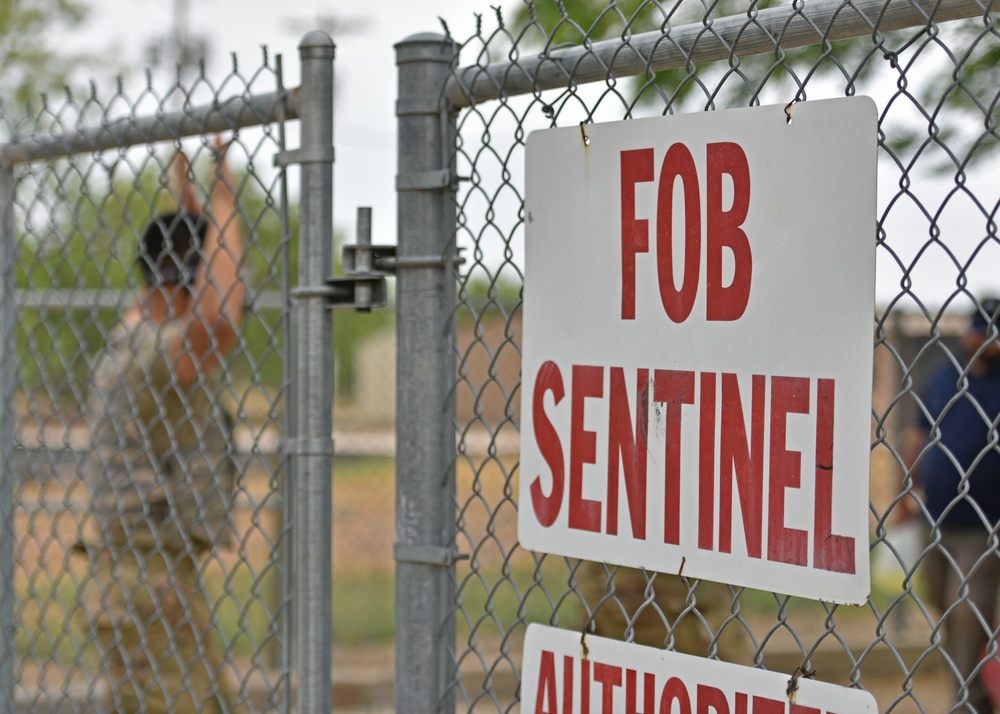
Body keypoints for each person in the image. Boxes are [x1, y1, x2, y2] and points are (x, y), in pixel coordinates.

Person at [76, 137, 244, 713]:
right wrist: (224, 199)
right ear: (189, 287)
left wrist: (192, 197)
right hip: (150, 588)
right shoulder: (156, 354)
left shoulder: (136, 333)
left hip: (146, 578)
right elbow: (220, 313)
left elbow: (199, 286)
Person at [905, 296, 1000, 713]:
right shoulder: (945, 376)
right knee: (943, 604)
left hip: (984, 525)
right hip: (937, 518)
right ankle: (977, 692)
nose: (980, 340)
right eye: (976, 330)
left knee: (966, 615)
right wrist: (906, 486)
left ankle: (964, 705)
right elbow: (918, 434)